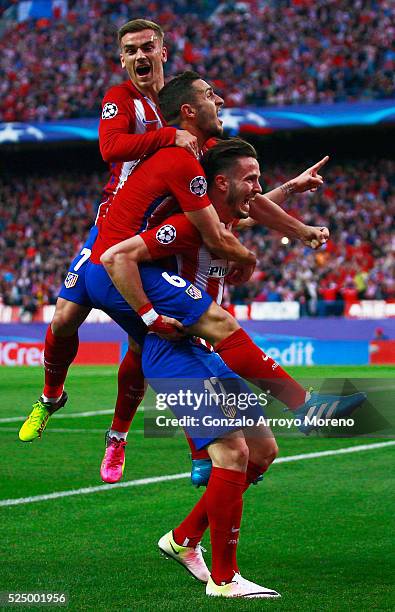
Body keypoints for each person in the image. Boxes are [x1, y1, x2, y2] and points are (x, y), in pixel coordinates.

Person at [87, 135, 365, 598]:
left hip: (204, 350)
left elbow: (252, 209)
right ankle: (223, 578)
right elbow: (117, 256)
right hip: (176, 351)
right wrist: (151, 317)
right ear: (218, 183)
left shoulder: (221, 219)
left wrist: (290, 191)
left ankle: (182, 540)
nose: (258, 186)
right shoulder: (185, 226)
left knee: (261, 452)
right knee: (232, 453)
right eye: (250, 178)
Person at [18, 18, 232, 445]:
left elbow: (227, 177)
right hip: (111, 227)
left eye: (147, 47)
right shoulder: (123, 99)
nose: (140, 56)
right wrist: (167, 137)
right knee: (63, 318)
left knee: (145, 340)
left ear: (163, 53)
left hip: (156, 241)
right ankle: (51, 396)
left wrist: (289, 213)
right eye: (130, 50)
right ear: (122, 60)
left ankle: (118, 437)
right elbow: (109, 148)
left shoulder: (184, 107)